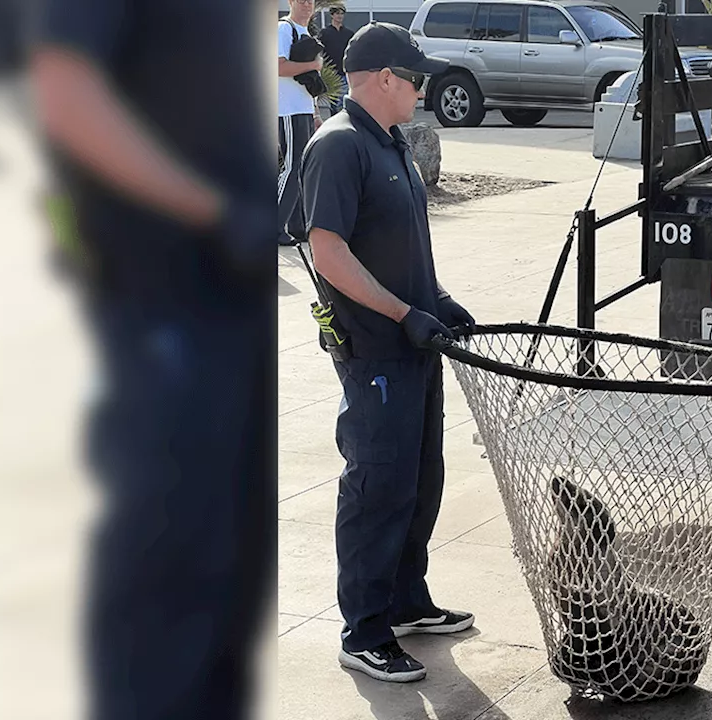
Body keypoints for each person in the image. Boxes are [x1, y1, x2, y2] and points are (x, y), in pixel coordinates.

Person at [28, 1, 275, 719]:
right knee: (171, 577)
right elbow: (64, 91)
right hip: (168, 308)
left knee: (231, 584)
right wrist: (212, 212)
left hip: (230, 307)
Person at [298, 22, 478, 684]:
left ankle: (406, 600)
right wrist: (404, 315)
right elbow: (330, 252)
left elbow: (398, 247)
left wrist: (438, 299)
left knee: (418, 479)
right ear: (381, 80)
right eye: (415, 78)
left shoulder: (392, 144)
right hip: (376, 350)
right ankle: (365, 629)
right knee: (378, 487)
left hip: (413, 344)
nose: (422, 89)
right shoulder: (339, 147)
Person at [278, 0, 323, 245]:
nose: (306, 4)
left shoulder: (305, 33)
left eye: (310, 0)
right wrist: (313, 65)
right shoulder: (284, 29)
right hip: (286, 110)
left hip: (302, 110)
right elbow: (279, 66)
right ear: (291, 2)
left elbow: (308, 81)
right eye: (301, 0)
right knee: (292, 166)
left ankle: (295, 226)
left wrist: (315, 114)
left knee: (301, 169)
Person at [319, 6, 354, 116]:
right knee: (334, 104)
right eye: (337, 13)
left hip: (344, 72)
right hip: (331, 74)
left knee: (344, 103)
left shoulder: (349, 34)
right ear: (332, 15)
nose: (340, 16)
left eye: (341, 14)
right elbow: (319, 52)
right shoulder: (324, 33)